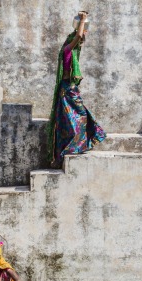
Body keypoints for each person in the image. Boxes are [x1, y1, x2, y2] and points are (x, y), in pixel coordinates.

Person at [48, 11, 106, 169]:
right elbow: (79, 36)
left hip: (68, 88)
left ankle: (77, 146)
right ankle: (77, 146)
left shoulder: (71, 53)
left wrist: (83, 27)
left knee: (70, 119)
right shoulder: (68, 51)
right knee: (80, 115)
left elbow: (81, 37)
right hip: (68, 89)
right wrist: (83, 20)